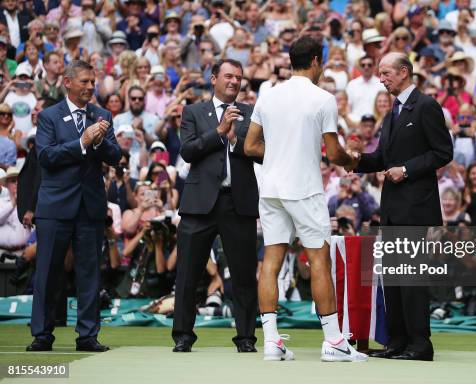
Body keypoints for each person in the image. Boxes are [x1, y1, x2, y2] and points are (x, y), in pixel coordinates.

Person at [244, 36, 367, 362]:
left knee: (270, 261)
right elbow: (335, 151)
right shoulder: (323, 98)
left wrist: (281, 154)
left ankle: (271, 342)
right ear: (315, 61)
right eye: (322, 60)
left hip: (270, 190)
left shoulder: (268, 97)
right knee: (319, 261)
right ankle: (334, 343)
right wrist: (353, 158)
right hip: (304, 189)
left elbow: (250, 147)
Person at [348, 52, 453, 361]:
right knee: (393, 279)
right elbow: (382, 157)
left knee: (411, 279)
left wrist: (406, 170)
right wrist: (355, 161)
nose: (381, 79)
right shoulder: (393, 110)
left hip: (417, 208)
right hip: (393, 208)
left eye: (386, 73)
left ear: (405, 72)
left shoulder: (426, 106)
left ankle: (420, 346)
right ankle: (397, 342)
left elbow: (443, 152)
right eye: (380, 74)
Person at [28, 60, 121, 352]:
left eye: (92, 82)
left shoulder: (102, 114)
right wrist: (82, 142)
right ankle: (42, 336)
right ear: (67, 82)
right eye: (84, 81)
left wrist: (99, 141)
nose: (90, 87)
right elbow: (46, 157)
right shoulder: (48, 116)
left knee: (90, 273)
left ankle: (88, 336)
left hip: (90, 207)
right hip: (55, 207)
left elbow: (115, 156)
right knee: (47, 272)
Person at [172, 59, 261, 354]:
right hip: (199, 204)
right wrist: (220, 132)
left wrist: (236, 140)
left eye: (238, 77)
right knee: (187, 274)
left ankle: (246, 337)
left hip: (239, 203)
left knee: (244, 275)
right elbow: (187, 151)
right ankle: (183, 335)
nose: (234, 81)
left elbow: (263, 153)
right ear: (213, 79)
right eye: (228, 76)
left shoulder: (251, 113)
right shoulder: (193, 111)